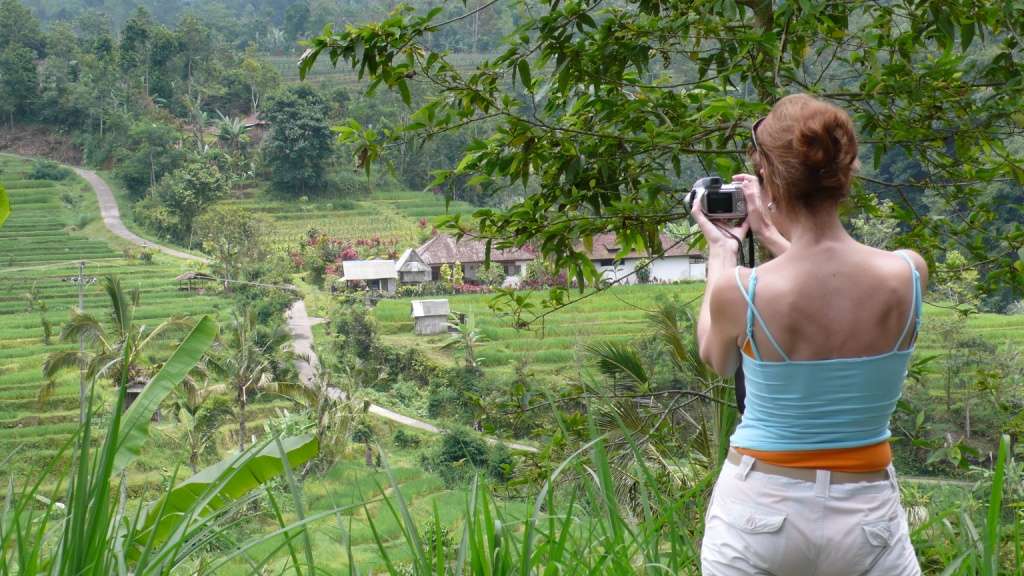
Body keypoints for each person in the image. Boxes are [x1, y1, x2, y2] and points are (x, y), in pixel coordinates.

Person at [694, 93, 926, 576]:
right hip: (866, 514)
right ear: (847, 172)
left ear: (771, 181)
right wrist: (776, 235)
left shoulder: (745, 290)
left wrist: (723, 251)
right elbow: (827, 277)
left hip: (761, 505)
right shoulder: (907, 273)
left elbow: (717, 359)